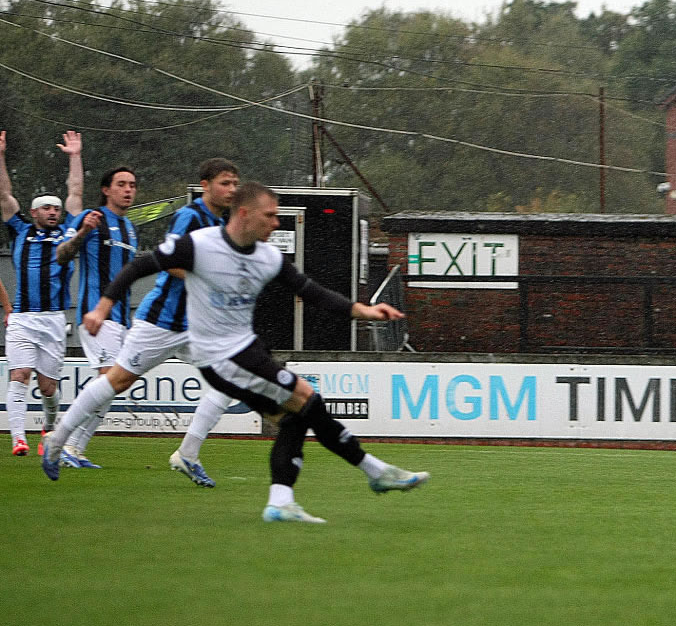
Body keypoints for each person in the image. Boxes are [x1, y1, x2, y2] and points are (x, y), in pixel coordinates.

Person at [44, 182, 429, 523]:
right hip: (221, 359)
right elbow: (141, 265)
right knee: (307, 400)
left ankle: (283, 500)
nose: (276, 223)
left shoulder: (267, 257)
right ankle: (374, 471)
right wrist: (102, 308)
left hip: (245, 351)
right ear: (244, 214)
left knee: (295, 417)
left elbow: (310, 291)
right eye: (270, 215)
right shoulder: (201, 244)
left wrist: (362, 310)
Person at [44, 159, 240, 486]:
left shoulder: (219, 223)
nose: (231, 189)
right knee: (114, 381)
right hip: (161, 320)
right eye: (225, 183)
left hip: (193, 324)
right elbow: (168, 261)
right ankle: (60, 439)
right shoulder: (189, 216)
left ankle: (188, 453)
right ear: (205, 185)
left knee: (230, 376)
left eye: (235, 184)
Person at [1, 130, 86, 457]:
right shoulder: (20, 229)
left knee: (48, 388)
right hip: (22, 318)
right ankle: (17, 439)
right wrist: (1, 155)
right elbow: (4, 193)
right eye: (46, 208)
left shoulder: (67, 231)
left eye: (56, 208)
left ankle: (49, 428)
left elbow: (75, 192)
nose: (53, 212)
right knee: (19, 375)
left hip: (53, 320)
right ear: (34, 212)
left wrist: (75, 156)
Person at [54, 163, 139, 468]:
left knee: (113, 385)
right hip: (96, 315)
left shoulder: (131, 228)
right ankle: (64, 443)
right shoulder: (91, 218)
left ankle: (74, 448)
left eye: (132, 185)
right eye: (121, 184)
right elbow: (61, 254)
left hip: (122, 320)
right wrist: (83, 232)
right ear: (106, 190)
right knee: (108, 379)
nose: (128, 190)